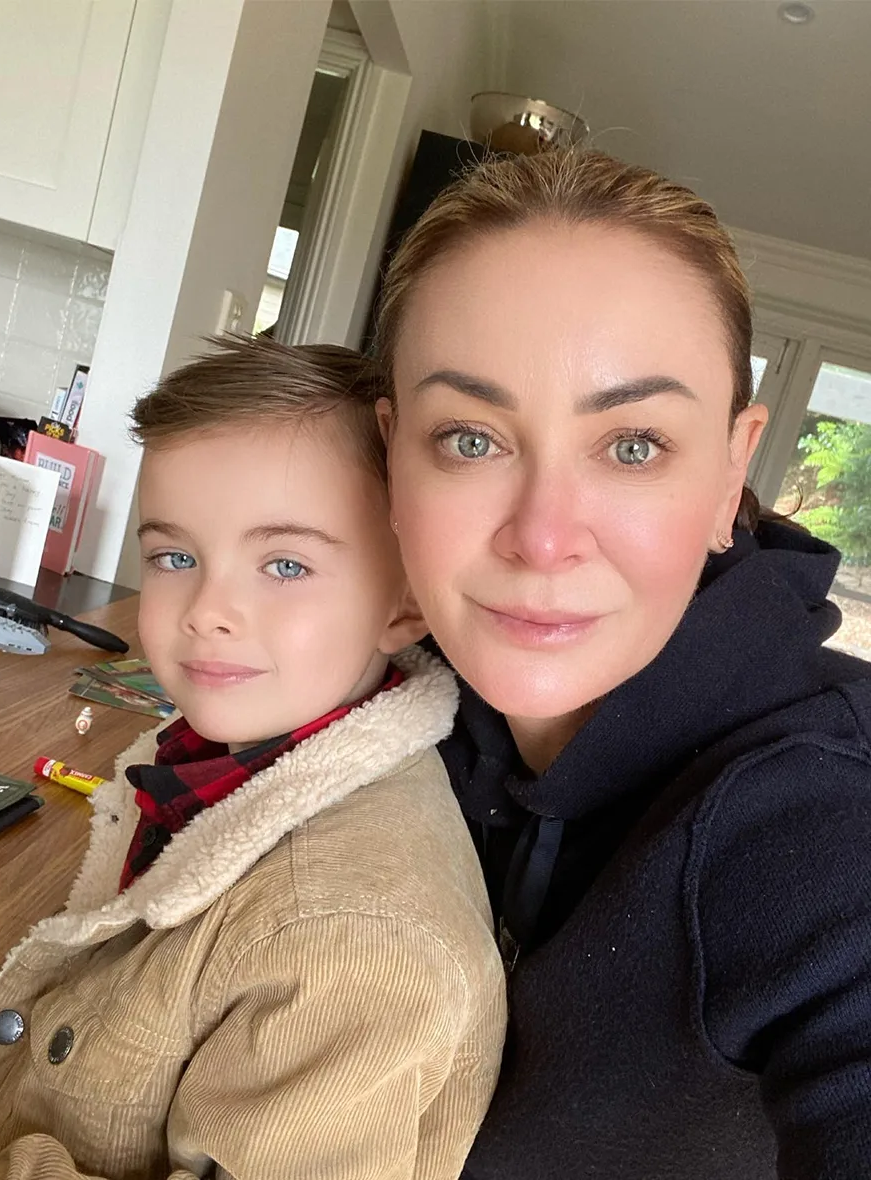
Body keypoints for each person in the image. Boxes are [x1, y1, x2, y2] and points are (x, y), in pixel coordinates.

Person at [372, 147, 871, 1177]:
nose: (543, 538)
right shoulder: (391, 711)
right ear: (391, 453)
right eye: (470, 437)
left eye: (633, 444)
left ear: (736, 464)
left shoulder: (820, 813)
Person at [0, 335, 506, 1179]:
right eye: (176, 557)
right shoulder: (222, 748)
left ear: (407, 601)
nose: (209, 610)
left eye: (287, 563)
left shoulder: (352, 942)